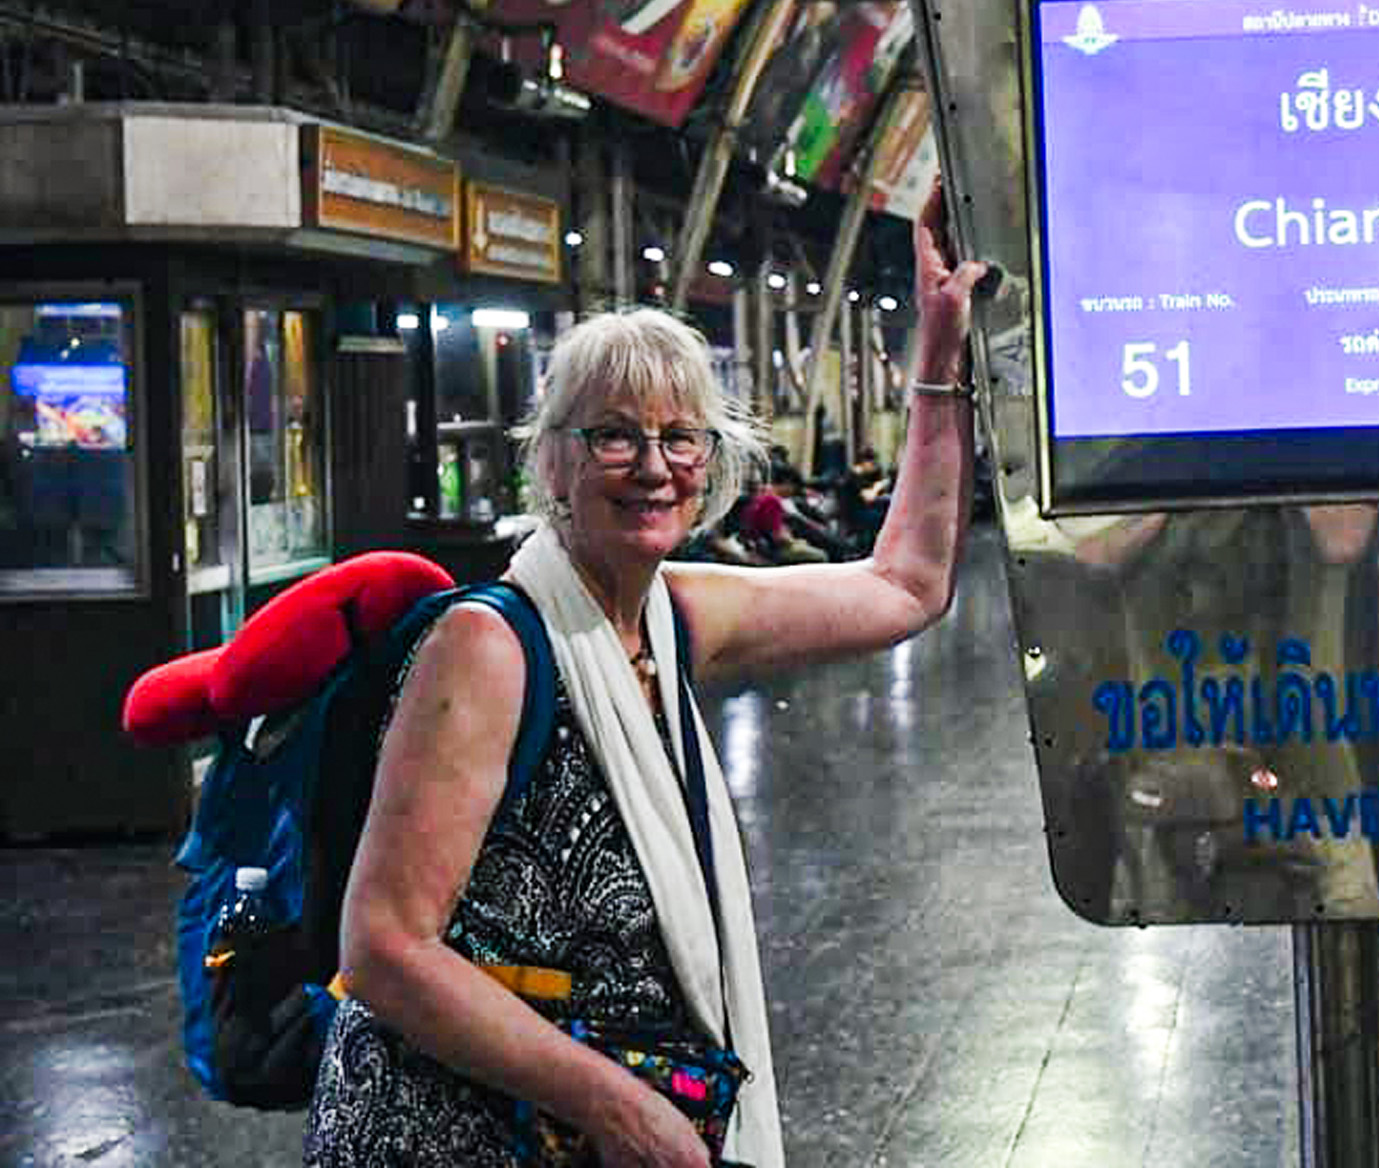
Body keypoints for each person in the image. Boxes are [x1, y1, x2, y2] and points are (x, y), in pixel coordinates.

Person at [303, 183, 987, 1168]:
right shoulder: (489, 648)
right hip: (449, 1139)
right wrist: (612, 1102)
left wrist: (939, 355)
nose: (654, 466)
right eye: (614, 435)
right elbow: (382, 947)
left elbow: (905, 584)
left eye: (680, 437)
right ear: (553, 465)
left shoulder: (674, 615)